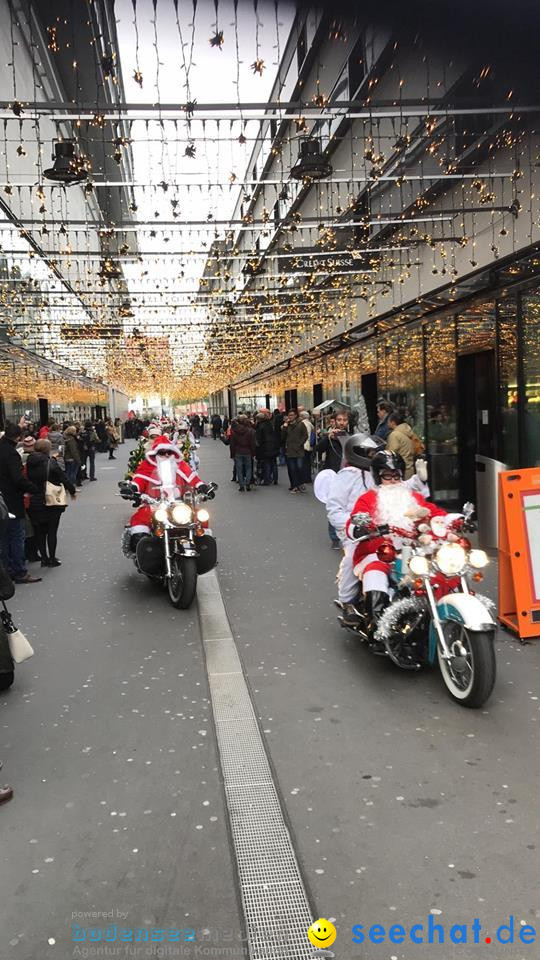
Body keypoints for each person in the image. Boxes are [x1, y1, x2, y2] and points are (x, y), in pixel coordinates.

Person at [343, 451, 446, 628]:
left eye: (396, 476)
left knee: (441, 570)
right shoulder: (368, 498)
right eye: (387, 476)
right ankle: (377, 624)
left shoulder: (412, 497)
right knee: (375, 571)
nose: (392, 480)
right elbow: (354, 520)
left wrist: (453, 520)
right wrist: (361, 528)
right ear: (378, 477)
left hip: (415, 551)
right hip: (379, 552)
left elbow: (432, 511)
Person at [128, 435, 212, 545]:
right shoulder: (148, 465)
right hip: (155, 504)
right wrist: (132, 488)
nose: (166, 455)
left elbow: (192, 478)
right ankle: (144, 551)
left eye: (169, 452)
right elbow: (140, 479)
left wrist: (202, 487)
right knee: (140, 522)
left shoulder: (179, 464)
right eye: (162, 452)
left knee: (200, 518)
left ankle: (204, 548)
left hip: (179, 504)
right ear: (156, 454)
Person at [0, 422, 41, 584]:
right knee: (16, 535)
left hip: (2, 498)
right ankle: (19, 571)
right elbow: (17, 478)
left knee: (4, 537)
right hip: (11, 499)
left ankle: (6, 571)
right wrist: (33, 488)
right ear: (19, 437)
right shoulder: (11, 454)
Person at [26, 439, 77, 567]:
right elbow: (63, 478)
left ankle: (43, 558)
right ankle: (52, 558)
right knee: (52, 530)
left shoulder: (29, 463)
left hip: (35, 500)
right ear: (47, 449)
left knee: (39, 531)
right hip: (51, 500)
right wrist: (72, 491)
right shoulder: (51, 463)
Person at [282, 409, 308, 493]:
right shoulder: (287, 426)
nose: (290, 417)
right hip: (289, 450)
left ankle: (300, 483)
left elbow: (305, 435)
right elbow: (282, 437)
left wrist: (300, 444)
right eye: (289, 415)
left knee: (300, 467)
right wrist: (285, 427)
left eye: (292, 415)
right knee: (292, 469)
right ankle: (294, 485)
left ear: (296, 415)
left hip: (299, 450)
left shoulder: (301, 424)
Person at [386, 410, 416, 479]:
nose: (387, 423)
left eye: (388, 421)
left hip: (400, 472)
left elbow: (391, 453)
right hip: (410, 470)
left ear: (393, 422)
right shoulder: (408, 432)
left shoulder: (394, 435)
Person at [230, 415, 256, 492]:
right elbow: (252, 443)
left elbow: (232, 444)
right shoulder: (250, 430)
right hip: (247, 451)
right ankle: (247, 483)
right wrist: (253, 453)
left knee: (239, 469)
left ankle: (241, 485)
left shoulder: (234, 431)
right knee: (248, 468)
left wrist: (232, 454)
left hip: (238, 451)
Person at [255, 410, 280, 485]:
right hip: (274, 446)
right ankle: (275, 479)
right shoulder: (270, 424)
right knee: (274, 463)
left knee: (267, 463)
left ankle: (267, 479)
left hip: (265, 447)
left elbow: (259, 439)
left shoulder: (260, 426)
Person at [299, 410, 315, 485]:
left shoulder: (302, 424)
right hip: (309, 446)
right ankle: (308, 478)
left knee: (303, 462)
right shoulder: (310, 423)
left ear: (302, 417)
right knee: (308, 462)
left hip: (303, 445)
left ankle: (304, 478)